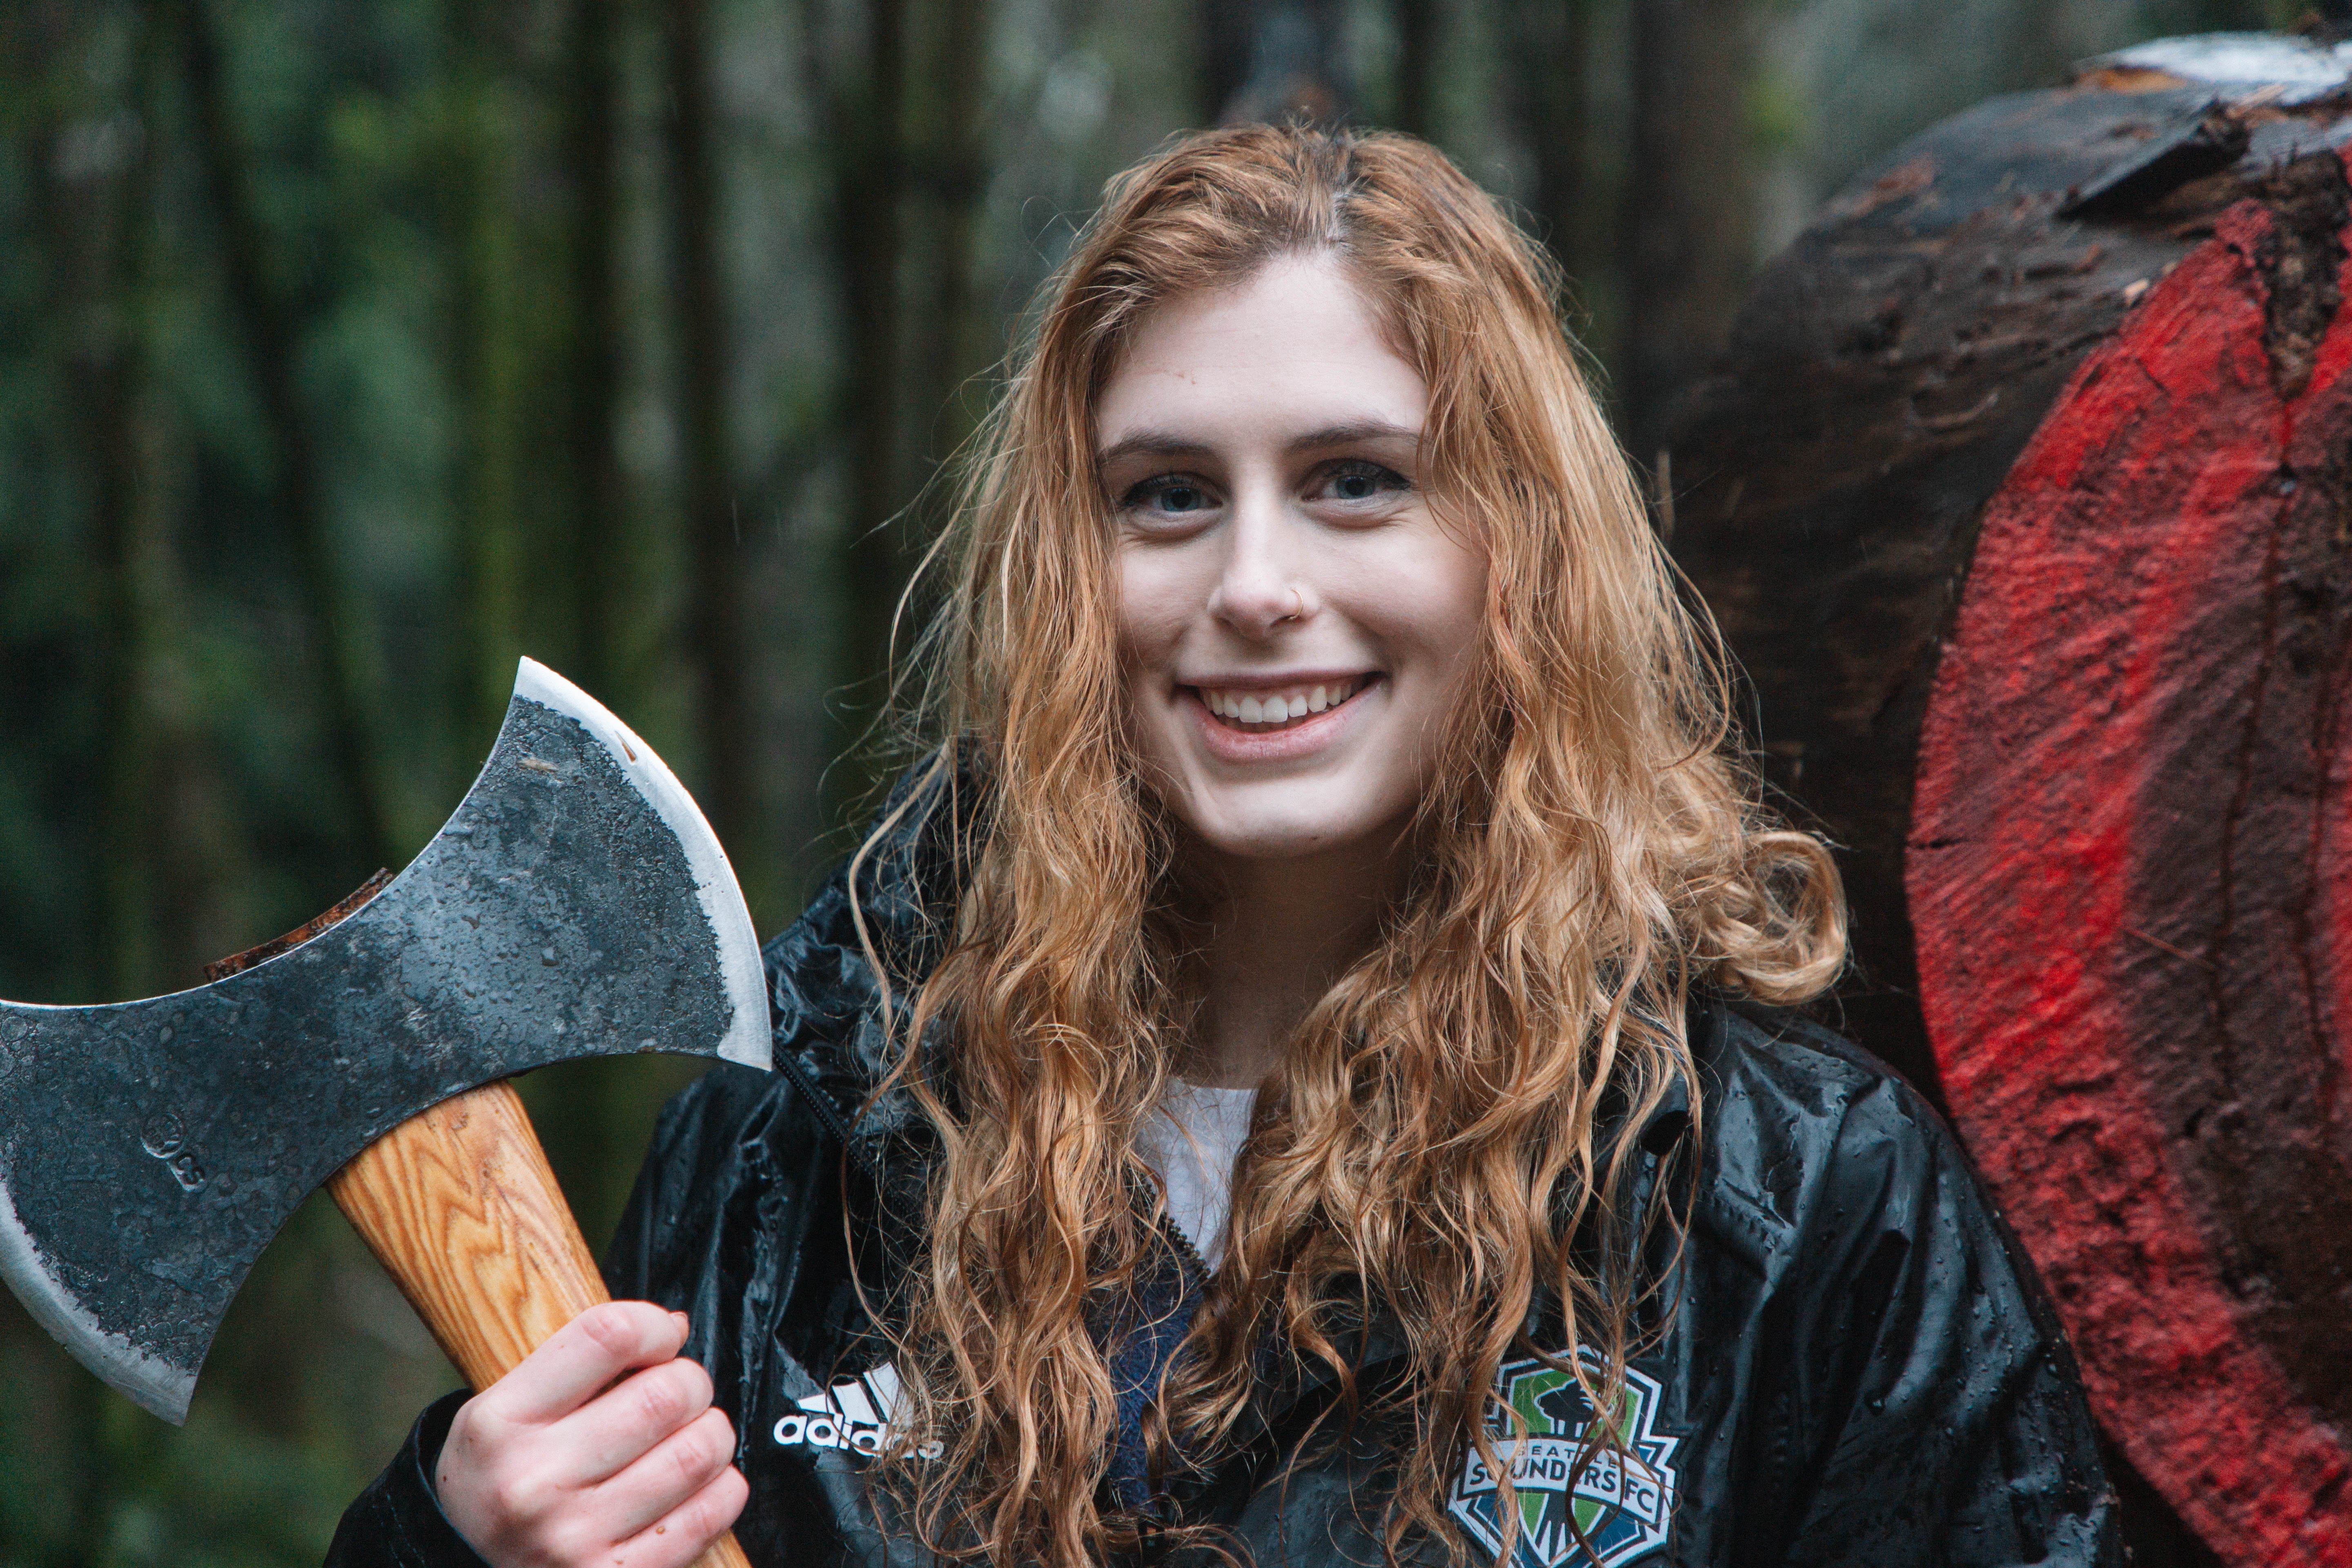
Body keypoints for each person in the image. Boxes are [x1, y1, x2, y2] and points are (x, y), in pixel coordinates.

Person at [328, 126, 2120, 1568]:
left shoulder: (1793, 1210)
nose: (1257, 589)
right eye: (1168, 495)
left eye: (1358, 479)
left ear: (1520, 560)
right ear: (1065, 576)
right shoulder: (796, 1158)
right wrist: (458, 1544)